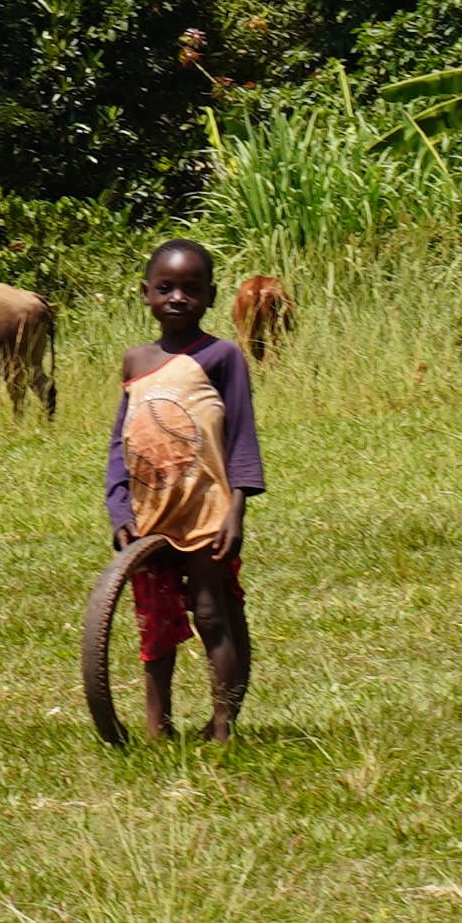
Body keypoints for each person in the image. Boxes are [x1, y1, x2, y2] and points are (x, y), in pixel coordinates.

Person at [107, 241, 261, 743]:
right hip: (150, 514)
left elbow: (241, 433)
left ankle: (222, 723)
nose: (177, 298)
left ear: (211, 296)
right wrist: (118, 508)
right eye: (165, 288)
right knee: (155, 623)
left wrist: (236, 509)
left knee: (212, 613)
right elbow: (119, 441)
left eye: (191, 290)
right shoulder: (135, 361)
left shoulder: (222, 356)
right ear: (145, 294)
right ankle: (159, 725)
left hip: (205, 511)